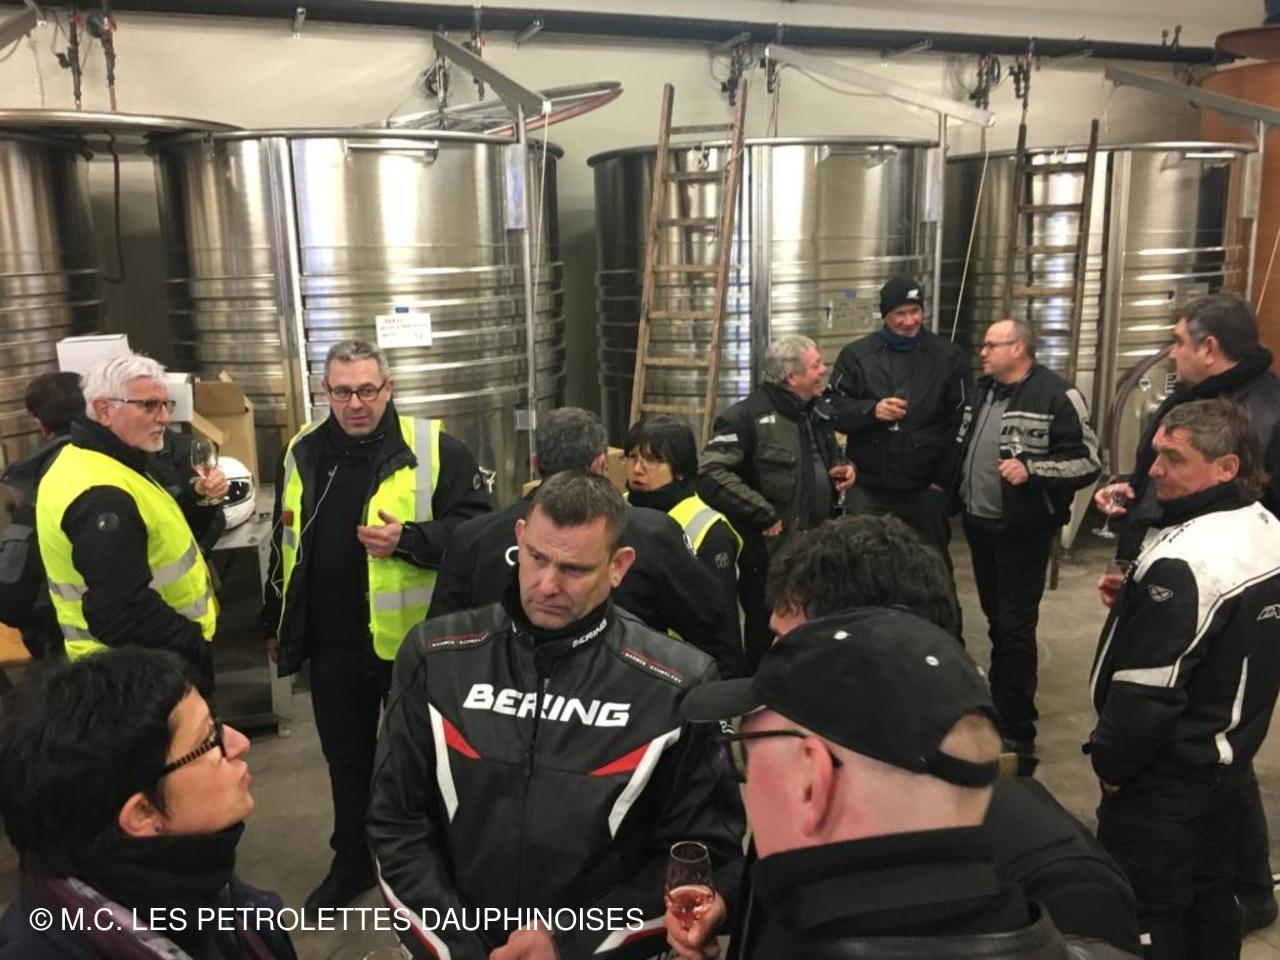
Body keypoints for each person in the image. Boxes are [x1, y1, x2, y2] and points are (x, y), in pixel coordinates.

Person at [664, 514, 1140, 960]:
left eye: (793, 646)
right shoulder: (829, 771)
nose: (773, 663)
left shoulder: (1063, 884)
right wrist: (730, 902)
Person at [368, 471, 745, 960]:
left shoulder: (678, 684)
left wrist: (569, 944)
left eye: (574, 569)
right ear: (520, 538)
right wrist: (457, 949)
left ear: (619, 566)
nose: (547, 585)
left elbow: (700, 858)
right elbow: (395, 825)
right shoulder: (434, 657)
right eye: (537, 558)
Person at [261, 338, 491, 912]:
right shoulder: (302, 450)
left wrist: (409, 540)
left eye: (367, 389)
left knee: (424, 761)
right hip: (333, 646)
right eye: (342, 392)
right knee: (347, 763)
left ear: (388, 388)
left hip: (415, 645)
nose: (356, 403)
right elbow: (284, 540)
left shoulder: (433, 447)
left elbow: (479, 531)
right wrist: (276, 619)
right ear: (325, 392)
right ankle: (352, 862)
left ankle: (436, 867)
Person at [1092, 294, 1280, 934]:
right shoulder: (1260, 529)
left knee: (1147, 915)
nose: (1154, 471)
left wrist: (1112, 771)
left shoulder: (1189, 561)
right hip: (1224, 761)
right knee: (1211, 904)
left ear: (1227, 466)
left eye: (1173, 460)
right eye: (1155, 455)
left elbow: (1147, 695)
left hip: (1165, 786)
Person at [0, 647, 296, 959]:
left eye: (217, 722)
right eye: (209, 739)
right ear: (142, 813)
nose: (240, 744)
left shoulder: (195, 880)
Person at [430, 406, 745, 678]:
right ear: (600, 464)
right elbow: (716, 635)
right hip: (626, 711)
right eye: (538, 558)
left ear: (535, 463)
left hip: (496, 714)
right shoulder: (654, 534)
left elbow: (440, 649)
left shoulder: (472, 538)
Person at [944, 318, 1100, 753]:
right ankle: (999, 701)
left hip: (1022, 531)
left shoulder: (1057, 395)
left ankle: (1016, 727)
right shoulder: (983, 391)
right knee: (996, 621)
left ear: (1018, 349)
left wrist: (1032, 470)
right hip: (980, 525)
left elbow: (1088, 462)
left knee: (1014, 628)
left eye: (991, 345)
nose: (983, 352)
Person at [34, 354, 227, 691]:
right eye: (149, 406)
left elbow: (159, 539)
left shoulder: (106, 461)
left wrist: (197, 498)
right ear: (104, 409)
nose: (164, 417)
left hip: (144, 663)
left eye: (165, 404)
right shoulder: (101, 495)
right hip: (140, 674)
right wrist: (190, 642)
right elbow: (120, 612)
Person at [696, 334, 855, 669]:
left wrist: (844, 469)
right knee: (767, 637)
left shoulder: (817, 411)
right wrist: (762, 513)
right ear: (791, 377)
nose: (823, 371)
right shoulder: (745, 418)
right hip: (770, 558)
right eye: (816, 365)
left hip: (818, 549)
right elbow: (710, 472)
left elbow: (830, 456)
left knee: (817, 630)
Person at [826, 276, 971, 565]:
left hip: (925, 488)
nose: (909, 321)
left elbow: (963, 419)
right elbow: (831, 407)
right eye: (899, 313)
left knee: (929, 565)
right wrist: (871, 411)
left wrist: (942, 483)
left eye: (914, 311)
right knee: (864, 564)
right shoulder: (857, 356)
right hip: (868, 487)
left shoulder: (948, 356)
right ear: (885, 315)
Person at [623, 414, 740, 632]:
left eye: (653, 460)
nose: (637, 469)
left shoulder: (710, 530)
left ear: (680, 470)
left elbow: (720, 623)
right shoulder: (616, 508)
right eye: (632, 457)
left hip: (676, 650)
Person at [0, 372, 85, 658]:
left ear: (40, 423)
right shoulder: (132, 460)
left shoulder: (45, 490)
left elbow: (11, 594)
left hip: (71, 643)